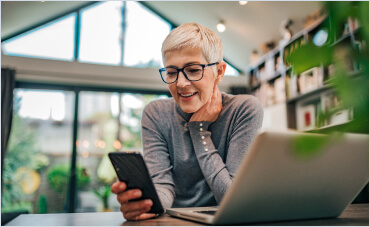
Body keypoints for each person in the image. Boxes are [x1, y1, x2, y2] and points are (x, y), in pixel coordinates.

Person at [111, 22, 263, 221]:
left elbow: (231, 199)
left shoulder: (244, 110)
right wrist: (147, 203)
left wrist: (199, 130)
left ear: (219, 72)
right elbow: (163, 186)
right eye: (172, 72)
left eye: (193, 70)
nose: (181, 83)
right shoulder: (156, 114)